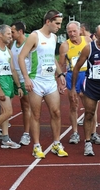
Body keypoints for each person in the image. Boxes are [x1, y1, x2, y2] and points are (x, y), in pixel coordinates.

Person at [18, 10, 68, 159]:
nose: (59, 26)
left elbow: (52, 57)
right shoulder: (34, 36)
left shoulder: (53, 37)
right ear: (48, 22)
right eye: (57, 23)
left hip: (50, 81)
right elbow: (21, 57)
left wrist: (59, 74)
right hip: (36, 81)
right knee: (36, 114)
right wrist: (26, 78)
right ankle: (37, 146)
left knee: (56, 112)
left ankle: (56, 144)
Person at [59, 21, 94, 144]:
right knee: (73, 104)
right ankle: (75, 133)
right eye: (69, 32)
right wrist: (60, 78)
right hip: (72, 75)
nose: (72, 34)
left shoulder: (88, 41)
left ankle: (93, 133)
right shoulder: (65, 45)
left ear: (80, 30)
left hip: (86, 75)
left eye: (74, 31)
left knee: (90, 106)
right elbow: (60, 64)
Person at [71, 25, 100, 156]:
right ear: (96, 35)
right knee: (89, 113)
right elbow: (76, 68)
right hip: (92, 86)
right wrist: (73, 88)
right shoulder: (89, 48)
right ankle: (88, 143)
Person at [10, 21, 31, 145]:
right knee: (6, 106)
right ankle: (3, 132)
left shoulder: (29, 42)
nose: (11, 34)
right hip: (13, 77)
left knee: (25, 106)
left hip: (24, 77)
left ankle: (27, 133)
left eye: (13, 32)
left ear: (20, 31)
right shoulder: (12, 43)